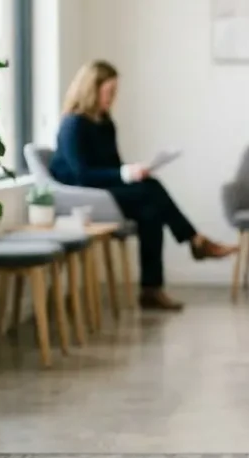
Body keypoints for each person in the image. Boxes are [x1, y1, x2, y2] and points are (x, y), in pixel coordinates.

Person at [50, 60, 238, 311]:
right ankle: (196, 241)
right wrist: (126, 173)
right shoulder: (72, 125)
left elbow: (113, 167)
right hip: (81, 198)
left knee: (151, 211)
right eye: (110, 92)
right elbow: (82, 175)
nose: (113, 98)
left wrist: (132, 173)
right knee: (151, 189)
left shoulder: (105, 122)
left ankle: (152, 290)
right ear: (91, 89)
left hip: (103, 191)